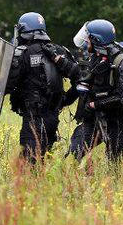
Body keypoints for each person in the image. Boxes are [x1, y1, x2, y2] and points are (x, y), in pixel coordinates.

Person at [5, 12, 80, 163]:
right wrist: (65, 100)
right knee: (44, 159)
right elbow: (80, 79)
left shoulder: (23, 53)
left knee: (29, 162)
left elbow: (8, 85)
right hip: (53, 117)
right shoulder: (59, 51)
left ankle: (30, 186)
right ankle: (42, 186)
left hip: (33, 118)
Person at [68, 19, 123, 162]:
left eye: (88, 38)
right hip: (94, 118)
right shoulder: (95, 59)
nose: (86, 41)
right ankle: (83, 179)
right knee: (75, 152)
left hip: (118, 121)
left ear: (96, 40)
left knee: (114, 164)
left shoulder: (122, 63)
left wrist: (96, 104)